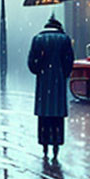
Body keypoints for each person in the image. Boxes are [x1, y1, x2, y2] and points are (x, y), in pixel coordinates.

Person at [27, 15, 74, 159]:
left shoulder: (38, 39)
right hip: (58, 83)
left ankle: (45, 144)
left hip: (44, 81)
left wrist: (40, 70)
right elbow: (69, 62)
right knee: (57, 116)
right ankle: (56, 144)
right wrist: (62, 74)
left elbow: (31, 63)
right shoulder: (65, 39)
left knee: (44, 115)